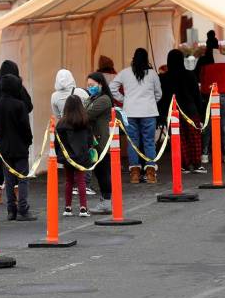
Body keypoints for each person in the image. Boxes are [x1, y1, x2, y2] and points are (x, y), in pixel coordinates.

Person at [110, 48, 162, 184]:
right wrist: (151, 101)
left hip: (130, 112)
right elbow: (159, 94)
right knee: (149, 142)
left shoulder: (125, 73)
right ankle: (150, 173)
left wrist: (123, 99)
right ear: (146, 59)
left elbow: (112, 88)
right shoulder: (152, 74)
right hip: (149, 112)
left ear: (133, 58)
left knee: (132, 142)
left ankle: (134, 174)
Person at [0, 61, 33, 203]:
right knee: (20, 167)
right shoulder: (19, 89)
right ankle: (19, 195)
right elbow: (29, 107)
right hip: (18, 133)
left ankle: (0, 191)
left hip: (0, 130)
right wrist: (28, 140)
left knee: (4, 160)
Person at [0, 74, 35, 221]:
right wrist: (28, 142)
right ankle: (23, 209)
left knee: (8, 179)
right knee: (22, 178)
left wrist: (0, 145)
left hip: (4, 149)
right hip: (20, 147)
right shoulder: (19, 105)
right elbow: (25, 128)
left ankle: (11, 210)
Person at [158, 49, 205, 173]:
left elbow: (161, 98)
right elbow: (196, 95)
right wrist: (201, 112)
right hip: (190, 110)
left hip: (173, 112)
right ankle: (196, 164)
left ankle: (183, 165)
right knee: (194, 139)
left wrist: (162, 114)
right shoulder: (189, 75)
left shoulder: (163, 77)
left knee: (179, 140)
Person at [196, 35, 225, 164]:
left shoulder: (202, 60)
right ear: (218, 46)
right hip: (223, 93)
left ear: (207, 46)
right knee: (223, 124)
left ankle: (205, 153)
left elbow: (199, 79)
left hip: (208, 94)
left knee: (208, 123)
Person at [56, 95, 93, 217]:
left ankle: (67, 208)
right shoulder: (85, 121)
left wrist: (59, 155)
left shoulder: (61, 124)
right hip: (82, 156)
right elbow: (89, 140)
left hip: (68, 157)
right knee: (81, 180)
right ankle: (83, 208)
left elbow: (57, 142)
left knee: (69, 181)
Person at [86, 73, 114, 214]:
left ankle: (107, 202)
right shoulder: (93, 98)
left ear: (100, 84)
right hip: (95, 141)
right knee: (99, 171)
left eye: (92, 85)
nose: (90, 88)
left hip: (101, 142)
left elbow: (86, 114)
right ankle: (105, 200)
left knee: (103, 172)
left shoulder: (104, 100)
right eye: (88, 85)